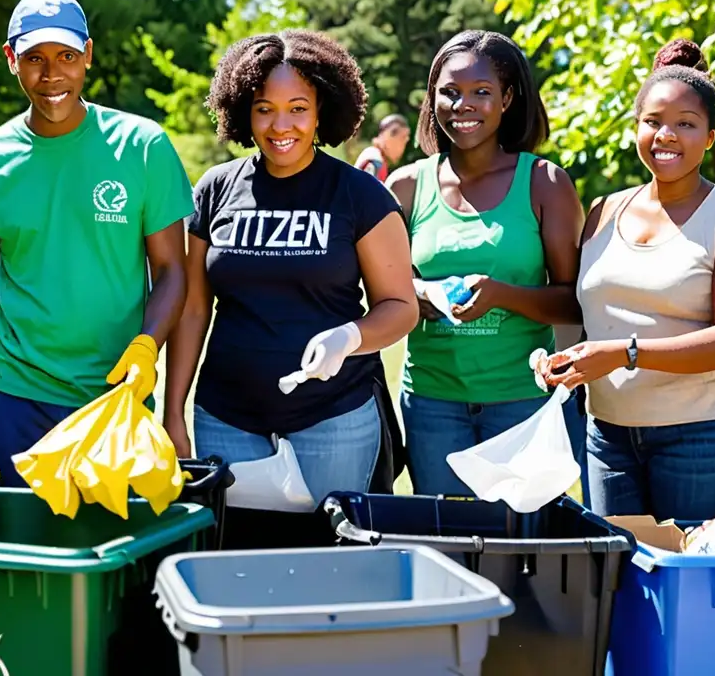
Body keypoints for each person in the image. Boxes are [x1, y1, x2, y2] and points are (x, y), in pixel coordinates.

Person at [0, 0, 192, 482]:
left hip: (117, 397)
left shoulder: (143, 147)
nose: (52, 74)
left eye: (67, 57)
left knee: (111, 553)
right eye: (34, 58)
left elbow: (171, 272)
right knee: (24, 553)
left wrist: (146, 347)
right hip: (15, 398)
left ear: (88, 56)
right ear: (12, 60)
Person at [164, 30, 417, 503]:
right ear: (242, 110)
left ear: (323, 109)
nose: (281, 125)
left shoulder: (360, 195)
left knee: (330, 563)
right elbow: (193, 310)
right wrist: (172, 410)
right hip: (226, 418)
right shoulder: (216, 189)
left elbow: (401, 306)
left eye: (298, 108)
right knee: (240, 560)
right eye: (264, 109)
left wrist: (350, 337)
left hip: (334, 417)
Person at [539, 39, 715, 522]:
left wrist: (624, 354)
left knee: (691, 582)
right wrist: (563, 360)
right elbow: (590, 315)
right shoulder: (604, 210)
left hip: (704, 435)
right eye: (653, 122)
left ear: (709, 137)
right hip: (608, 435)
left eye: (685, 124)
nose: (666, 135)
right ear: (636, 128)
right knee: (618, 581)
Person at [387, 31, 587, 504]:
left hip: (522, 401)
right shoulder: (406, 187)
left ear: (508, 99)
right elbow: (381, 291)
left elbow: (574, 301)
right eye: (450, 92)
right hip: (432, 403)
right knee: (448, 544)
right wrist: (422, 294)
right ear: (431, 98)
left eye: (481, 92)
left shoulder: (544, 183)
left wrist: (503, 295)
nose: (463, 104)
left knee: (523, 546)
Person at [354, 113, 411, 182]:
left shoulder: (376, 156)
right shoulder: (375, 159)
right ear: (388, 135)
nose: (403, 148)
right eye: (402, 140)